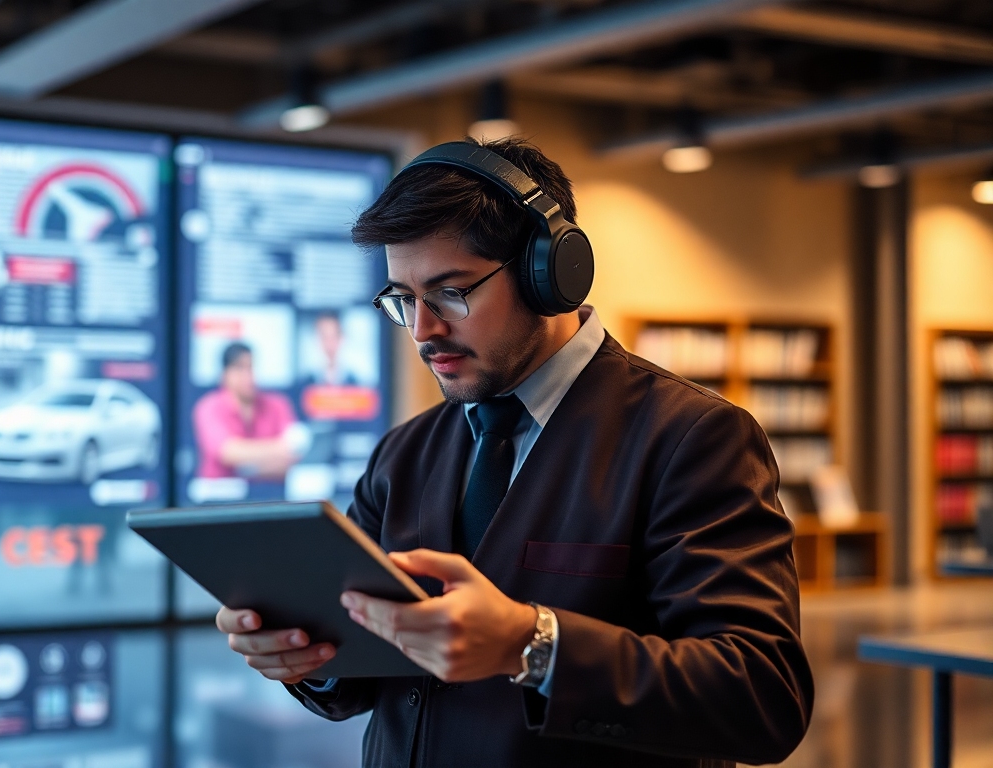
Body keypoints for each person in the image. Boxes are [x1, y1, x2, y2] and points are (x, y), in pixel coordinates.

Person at [214, 137, 813, 767]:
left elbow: (762, 696)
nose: (424, 330)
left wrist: (537, 644)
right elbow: (365, 676)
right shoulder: (404, 454)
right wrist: (305, 657)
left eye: (451, 292)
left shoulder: (690, 438)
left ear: (548, 273)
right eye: (404, 299)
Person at [193, 341, 301, 479]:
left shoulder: (278, 404)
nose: (248, 375)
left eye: (251, 367)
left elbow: (294, 453)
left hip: (270, 494)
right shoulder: (208, 407)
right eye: (239, 368)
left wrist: (247, 460)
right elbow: (227, 452)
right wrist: (278, 449)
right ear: (224, 374)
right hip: (220, 496)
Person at [304, 312, 359, 387]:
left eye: (333, 337)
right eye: (324, 337)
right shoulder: (305, 385)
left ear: (342, 339)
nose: (329, 344)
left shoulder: (355, 384)